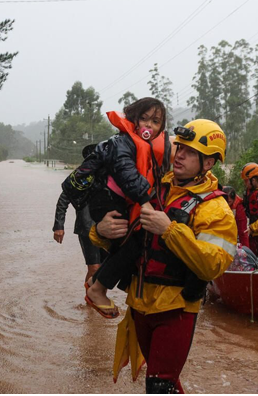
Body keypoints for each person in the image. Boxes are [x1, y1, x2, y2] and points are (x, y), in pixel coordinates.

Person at [91, 119, 237, 393]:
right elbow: (125, 239)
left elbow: (213, 265)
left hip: (176, 309)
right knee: (162, 382)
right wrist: (99, 231)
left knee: (159, 384)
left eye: (189, 152)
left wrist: (169, 230)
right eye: (179, 147)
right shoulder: (152, 186)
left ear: (208, 163)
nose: (179, 154)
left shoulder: (216, 209)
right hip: (139, 303)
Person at [62, 97, 171, 318]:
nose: (149, 125)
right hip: (106, 200)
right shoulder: (122, 143)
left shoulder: (155, 152)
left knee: (130, 245)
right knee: (133, 244)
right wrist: (146, 201)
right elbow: (127, 175)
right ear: (134, 119)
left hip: (117, 200)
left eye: (156, 122)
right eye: (144, 118)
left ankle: (96, 282)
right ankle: (98, 289)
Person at [53, 145, 102, 283]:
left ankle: (95, 299)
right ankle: (90, 301)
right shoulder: (79, 178)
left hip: (106, 227)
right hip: (87, 227)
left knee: (104, 268)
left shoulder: (109, 176)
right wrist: (59, 226)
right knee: (95, 268)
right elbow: (63, 201)